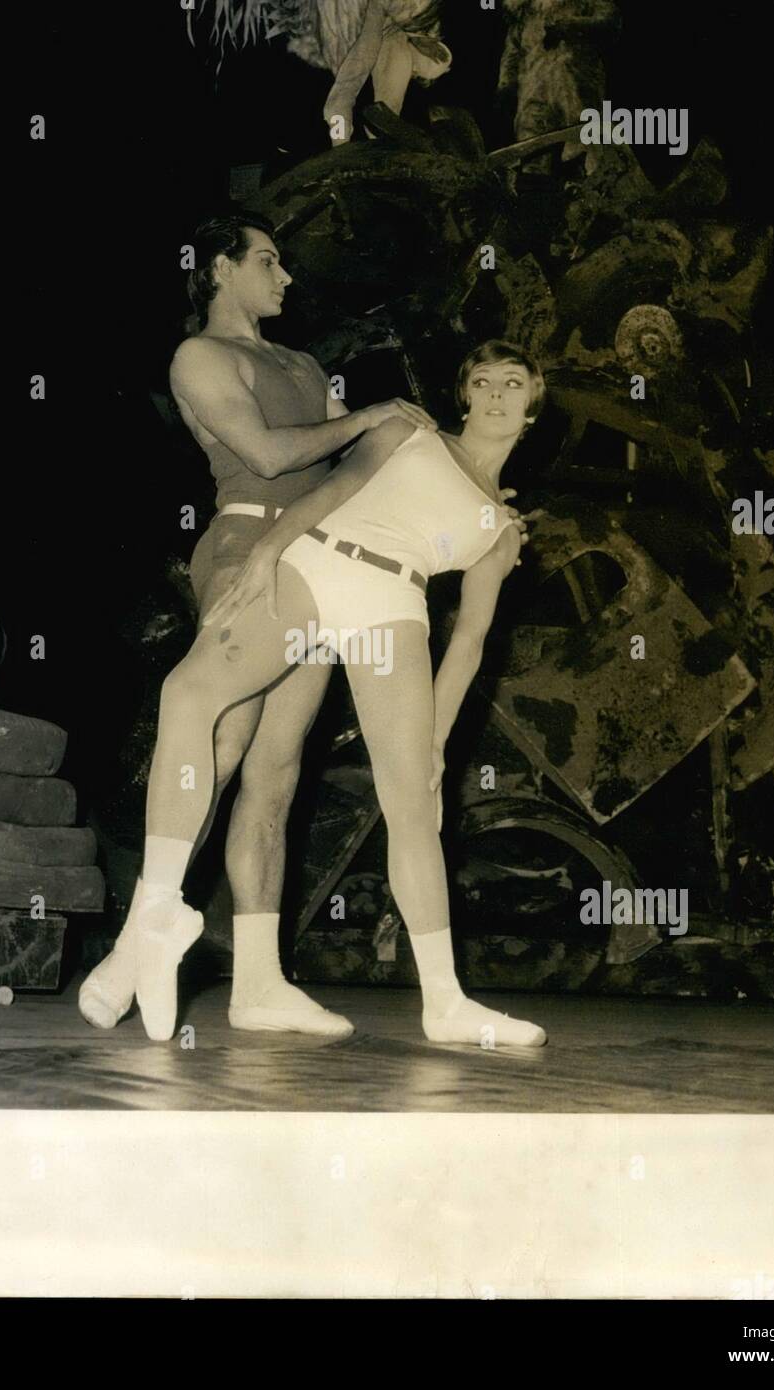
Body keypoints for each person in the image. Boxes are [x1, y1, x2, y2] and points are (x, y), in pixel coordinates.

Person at [121, 338, 550, 1048]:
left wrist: (436, 742)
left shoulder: (503, 530)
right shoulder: (407, 430)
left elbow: (470, 641)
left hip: (395, 605)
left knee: (414, 804)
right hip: (321, 564)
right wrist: (267, 551)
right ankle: (162, 905)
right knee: (189, 693)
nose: (497, 395)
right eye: (483, 381)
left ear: (532, 408)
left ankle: (445, 1003)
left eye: (513, 384)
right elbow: (329, 492)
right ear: (464, 393)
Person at [78, 212, 439, 1039]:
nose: (286, 278)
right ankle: (151, 924)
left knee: (275, 775)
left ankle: (258, 981)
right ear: (218, 268)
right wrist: (371, 416)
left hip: (320, 561)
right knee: (219, 737)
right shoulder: (200, 357)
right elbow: (272, 455)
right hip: (250, 547)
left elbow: (360, 466)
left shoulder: (305, 362)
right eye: (269, 261)